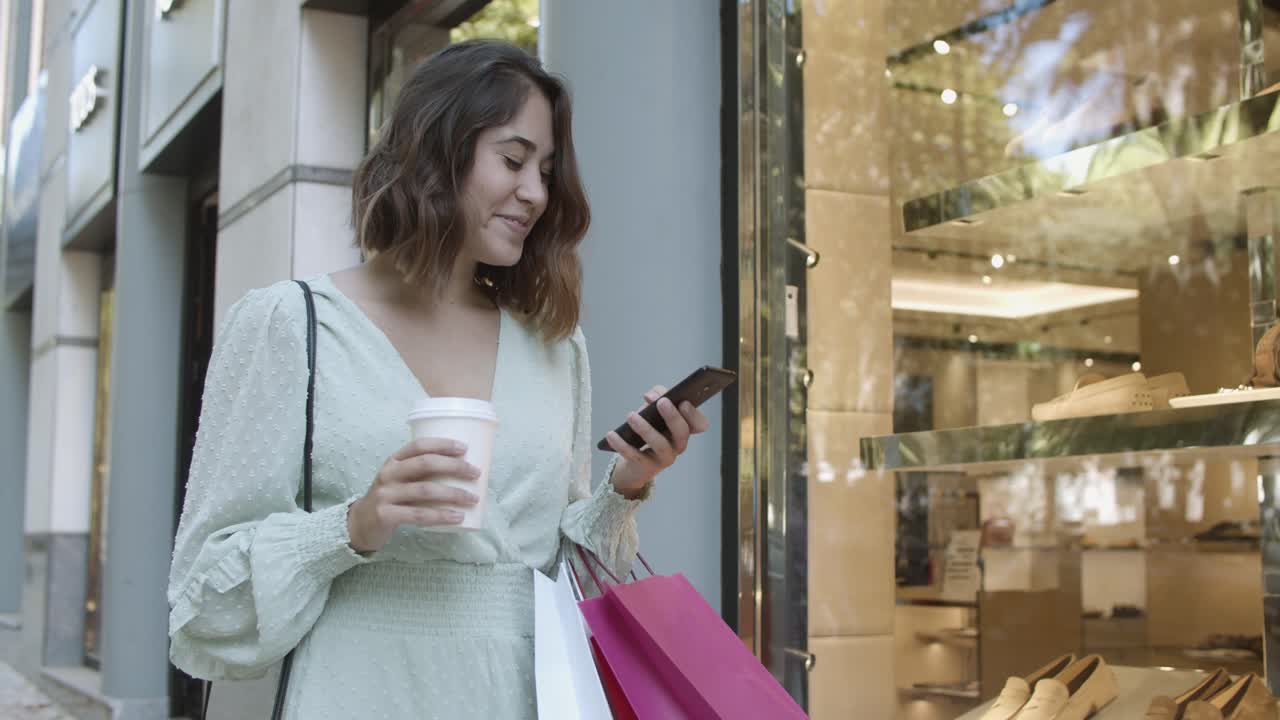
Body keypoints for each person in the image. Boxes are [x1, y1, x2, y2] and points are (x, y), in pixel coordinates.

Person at [167, 40, 711, 719]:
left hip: (523, 693)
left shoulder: (554, 346)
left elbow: (553, 564)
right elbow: (202, 599)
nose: (536, 193)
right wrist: (354, 525)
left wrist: (628, 483)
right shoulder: (289, 325)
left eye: (545, 170)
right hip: (352, 689)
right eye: (512, 161)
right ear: (437, 150)